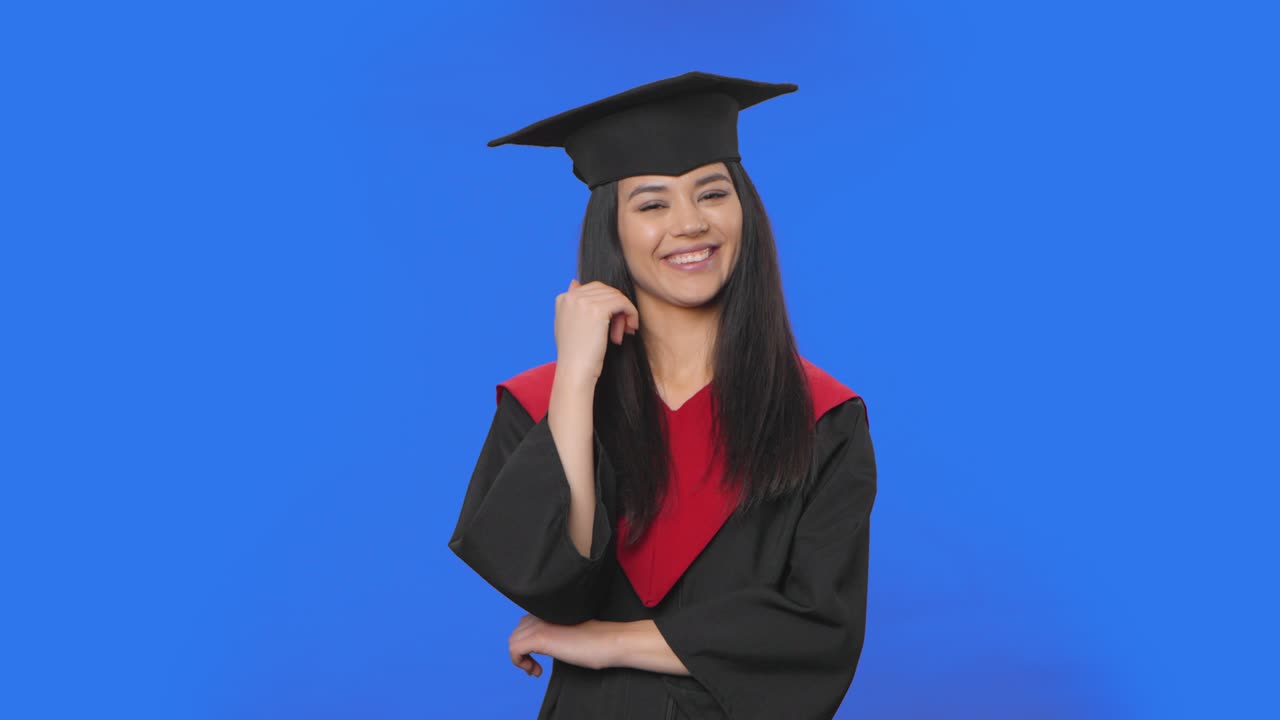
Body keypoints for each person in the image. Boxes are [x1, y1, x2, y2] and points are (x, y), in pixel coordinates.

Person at [448, 71, 878, 720]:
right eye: (652, 204)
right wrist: (575, 380)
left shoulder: (824, 418)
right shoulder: (539, 403)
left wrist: (609, 642)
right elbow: (550, 586)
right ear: (612, 232)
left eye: (712, 193)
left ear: (745, 212)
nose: (690, 224)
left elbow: (820, 633)